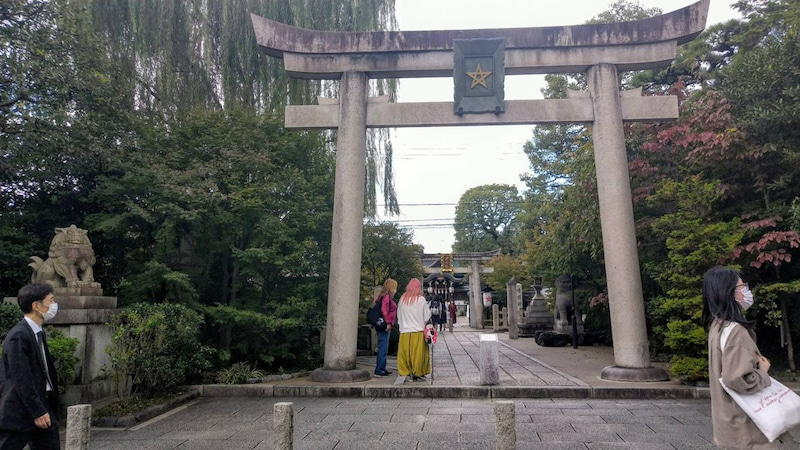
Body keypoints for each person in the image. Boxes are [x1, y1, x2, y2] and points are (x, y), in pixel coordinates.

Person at [702, 266, 793, 448]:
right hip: (747, 427)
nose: (746, 291)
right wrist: (763, 372)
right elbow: (737, 379)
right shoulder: (736, 331)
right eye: (742, 287)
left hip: (729, 424)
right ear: (728, 293)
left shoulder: (717, 327)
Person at [0, 283, 60, 450]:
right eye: (51, 300)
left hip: (43, 406)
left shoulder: (37, 333)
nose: (54, 305)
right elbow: (21, 378)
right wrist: (37, 411)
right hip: (21, 412)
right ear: (36, 305)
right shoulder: (19, 336)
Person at [396, 278, 431, 381]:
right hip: (418, 331)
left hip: (405, 331)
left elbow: (399, 315)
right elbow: (426, 316)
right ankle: (418, 372)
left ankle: (405, 371)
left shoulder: (402, 299)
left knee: (405, 353)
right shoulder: (421, 299)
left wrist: (401, 325)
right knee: (418, 354)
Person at [373, 279, 397, 377]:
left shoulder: (382, 296)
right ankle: (379, 369)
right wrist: (387, 322)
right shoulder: (386, 297)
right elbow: (384, 310)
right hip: (385, 325)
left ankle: (382, 367)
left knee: (383, 346)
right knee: (383, 347)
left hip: (382, 325)